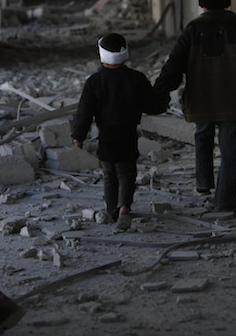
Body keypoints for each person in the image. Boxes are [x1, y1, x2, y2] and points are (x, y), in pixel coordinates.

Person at [154, 0, 236, 212]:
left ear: (201, 3)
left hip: (202, 99)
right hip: (235, 100)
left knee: (202, 135)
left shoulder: (193, 30)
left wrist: (160, 92)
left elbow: (174, 65)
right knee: (230, 151)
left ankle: (204, 182)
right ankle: (225, 203)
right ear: (227, 0)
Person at [72, 33, 168, 230]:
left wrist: (78, 136)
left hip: (106, 136)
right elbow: (153, 105)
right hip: (127, 134)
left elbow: (84, 111)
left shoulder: (94, 82)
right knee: (126, 173)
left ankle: (112, 211)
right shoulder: (136, 79)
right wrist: (164, 95)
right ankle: (124, 207)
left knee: (109, 174)